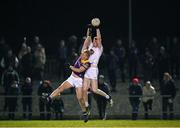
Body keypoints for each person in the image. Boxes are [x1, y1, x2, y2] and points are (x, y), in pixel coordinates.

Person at [46, 50, 92, 122]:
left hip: (79, 80)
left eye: (84, 54)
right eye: (82, 53)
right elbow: (86, 46)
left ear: (87, 56)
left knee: (79, 98)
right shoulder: (81, 57)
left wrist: (70, 67)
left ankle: (85, 112)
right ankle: (49, 98)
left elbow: (79, 70)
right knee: (60, 88)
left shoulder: (87, 63)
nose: (81, 54)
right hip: (72, 77)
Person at [81, 19, 113, 117]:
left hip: (94, 69)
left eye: (97, 40)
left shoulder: (99, 49)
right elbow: (88, 37)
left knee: (94, 90)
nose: (95, 40)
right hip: (88, 69)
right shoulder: (90, 47)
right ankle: (87, 108)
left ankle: (108, 97)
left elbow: (99, 37)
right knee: (84, 89)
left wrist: (97, 28)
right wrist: (90, 28)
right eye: (94, 40)